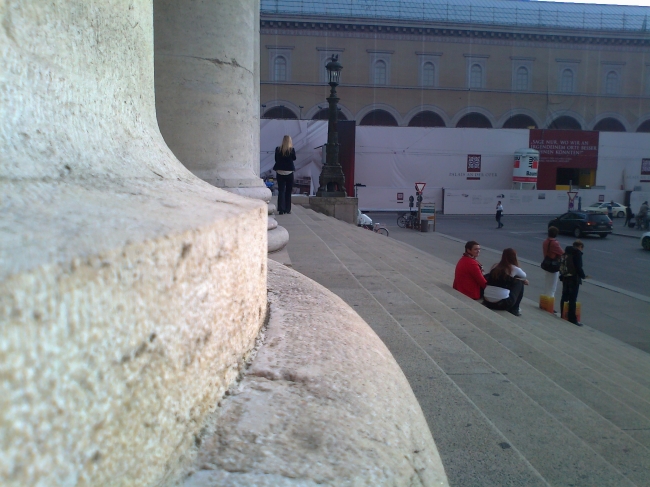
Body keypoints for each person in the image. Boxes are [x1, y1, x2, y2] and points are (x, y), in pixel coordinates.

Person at [483, 248, 529, 316]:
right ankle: (515, 309)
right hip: (502, 304)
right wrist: (519, 279)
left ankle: (514, 308)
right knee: (519, 283)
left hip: (487, 301)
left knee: (511, 281)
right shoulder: (514, 268)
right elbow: (524, 275)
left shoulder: (496, 267)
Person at [560, 240, 587, 327]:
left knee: (564, 296)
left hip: (565, 277)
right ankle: (572, 319)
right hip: (574, 279)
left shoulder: (567, 252)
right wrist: (583, 276)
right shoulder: (577, 253)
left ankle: (563, 314)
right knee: (572, 299)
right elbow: (578, 267)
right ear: (580, 247)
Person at [542, 226, 564, 313]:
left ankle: (544, 303)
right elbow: (562, 253)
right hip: (553, 265)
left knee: (547, 284)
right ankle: (549, 306)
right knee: (552, 287)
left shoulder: (545, 241)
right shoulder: (555, 243)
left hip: (546, 263)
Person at [273, 135, 297, 215]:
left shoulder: (278, 149)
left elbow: (276, 159)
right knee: (288, 191)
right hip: (289, 172)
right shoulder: (291, 150)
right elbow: (294, 158)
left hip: (280, 172)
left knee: (281, 190)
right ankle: (287, 209)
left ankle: (281, 209)